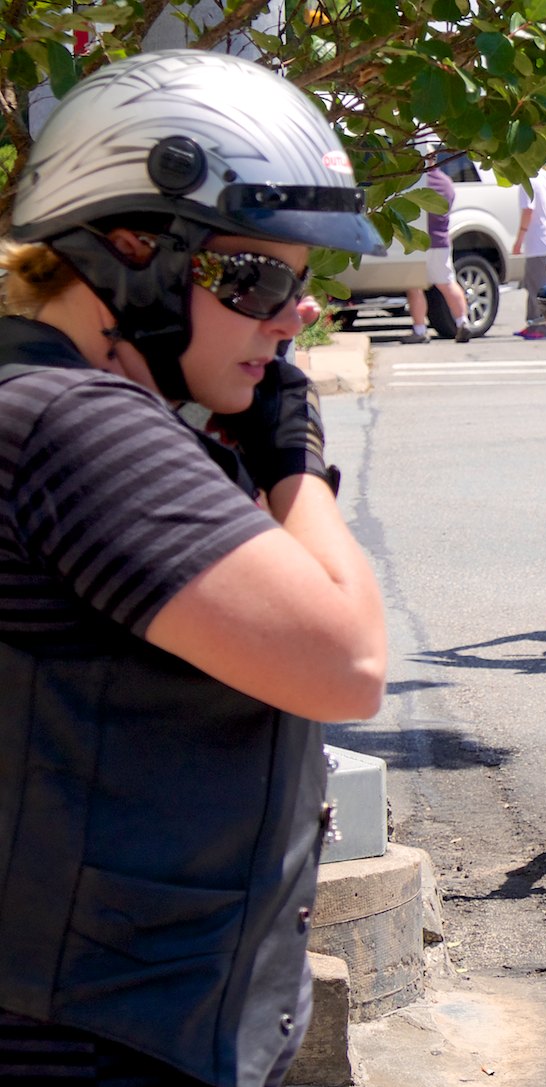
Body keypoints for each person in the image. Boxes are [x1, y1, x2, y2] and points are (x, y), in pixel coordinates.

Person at [0, 50, 387, 1086]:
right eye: (257, 278)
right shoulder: (76, 427)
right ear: (132, 252)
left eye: (302, 283)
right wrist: (293, 455)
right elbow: (346, 661)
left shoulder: (46, 399)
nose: (292, 316)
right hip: (102, 1039)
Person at [401, 144, 471, 344]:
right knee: (447, 283)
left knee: (415, 286)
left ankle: (420, 330)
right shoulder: (446, 183)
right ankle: (463, 323)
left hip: (419, 241)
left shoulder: (416, 183)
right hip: (441, 240)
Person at [514, 166, 546, 340]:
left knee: (539, 289)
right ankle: (533, 324)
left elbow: (528, 211)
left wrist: (519, 240)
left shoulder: (526, 180)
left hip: (538, 241)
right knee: (533, 285)